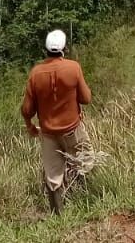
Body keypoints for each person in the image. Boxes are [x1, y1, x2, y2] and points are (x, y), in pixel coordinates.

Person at [20, 28, 93, 214]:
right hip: (73, 129)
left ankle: (58, 216)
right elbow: (86, 98)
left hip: (49, 134)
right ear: (64, 49)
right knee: (84, 164)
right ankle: (88, 206)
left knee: (53, 177)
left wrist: (30, 126)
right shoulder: (73, 67)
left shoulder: (36, 74)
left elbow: (27, 110)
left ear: (46, 50)